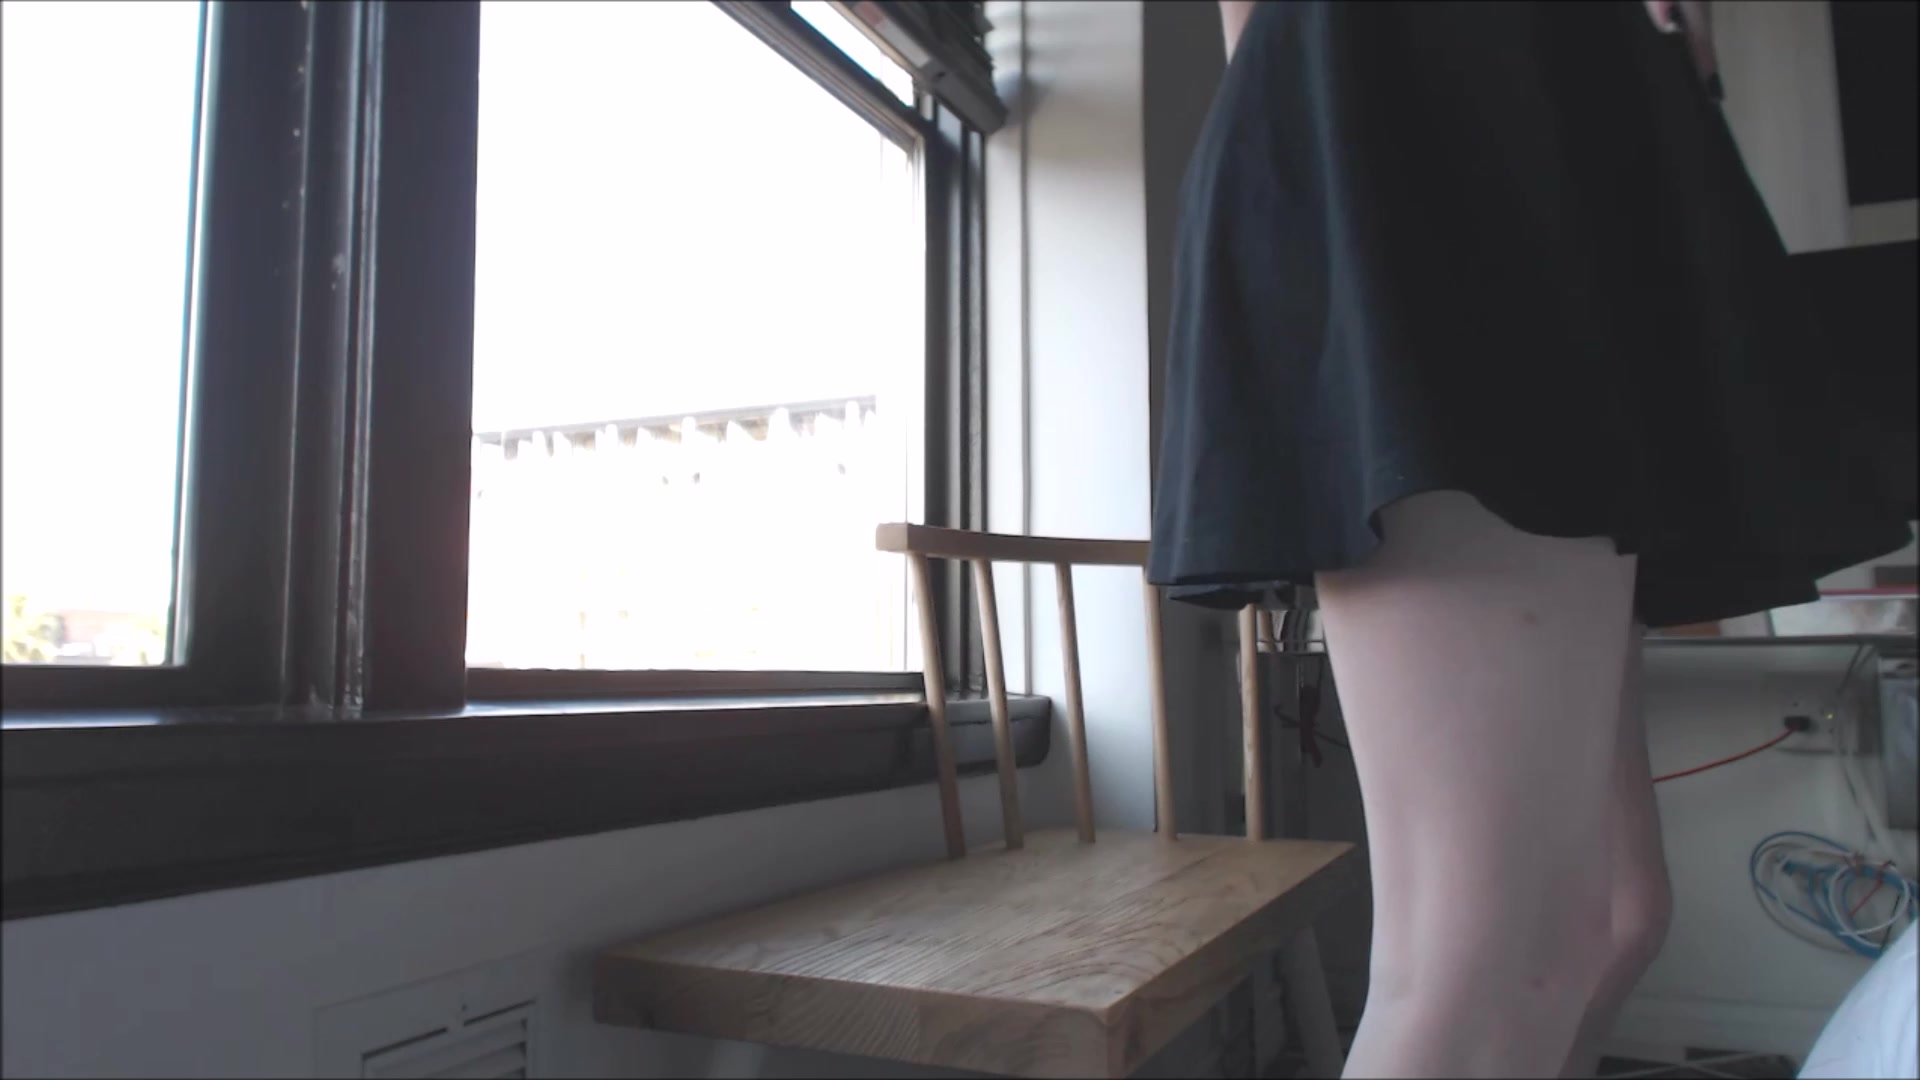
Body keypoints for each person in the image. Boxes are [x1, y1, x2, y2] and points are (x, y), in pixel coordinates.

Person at [1147, 2, 1916, 1076]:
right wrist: (1331, 159)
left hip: (1553, 100)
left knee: (1614, 917)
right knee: (1487, 961)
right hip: (1434, 90)